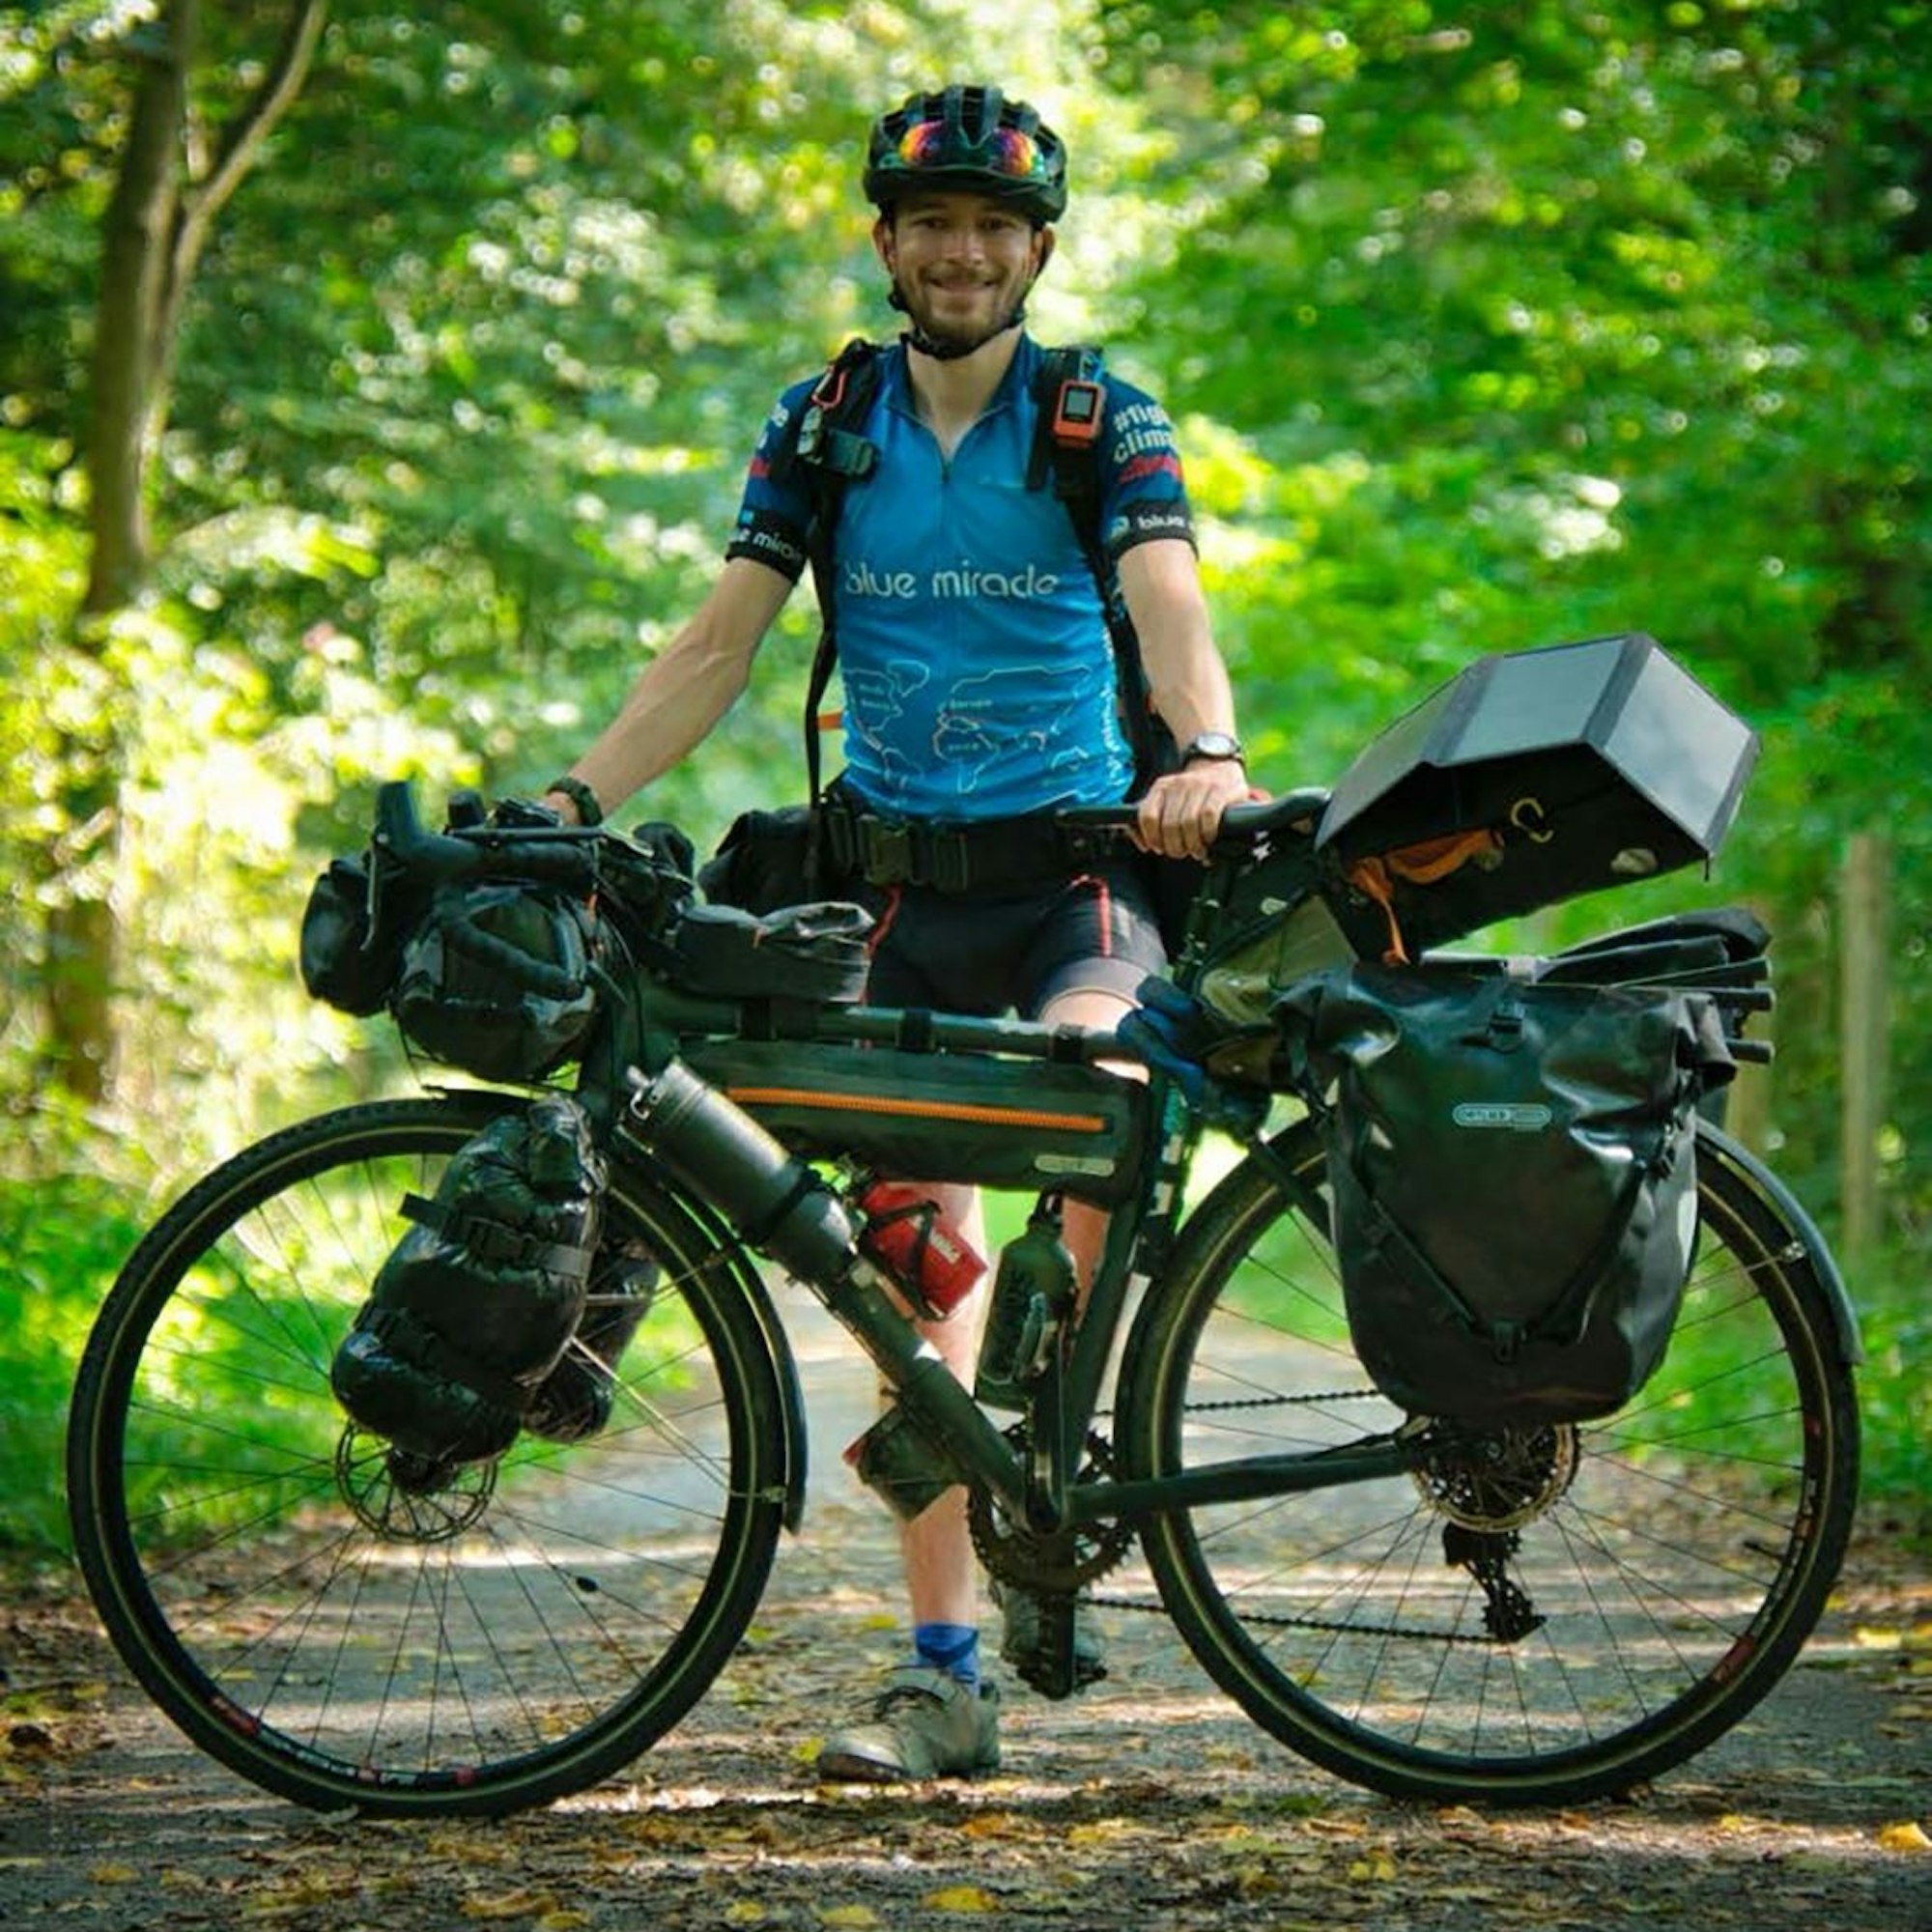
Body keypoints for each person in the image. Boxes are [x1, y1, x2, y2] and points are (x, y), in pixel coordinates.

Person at [540, 83, 1248, 1781]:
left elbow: (1169, 604)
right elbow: (718, 645)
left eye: (993, 227)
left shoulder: (1100, 419)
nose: (961, 250)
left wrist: (1209, 752)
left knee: (1093, 1093)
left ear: (1036, 253)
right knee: (901, 1279)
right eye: (930, 222)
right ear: (886, 242)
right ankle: (944, 1673)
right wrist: (570, 800)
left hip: (1071, 876)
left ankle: (1055, 1427)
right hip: (888, 899)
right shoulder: (825, 420)